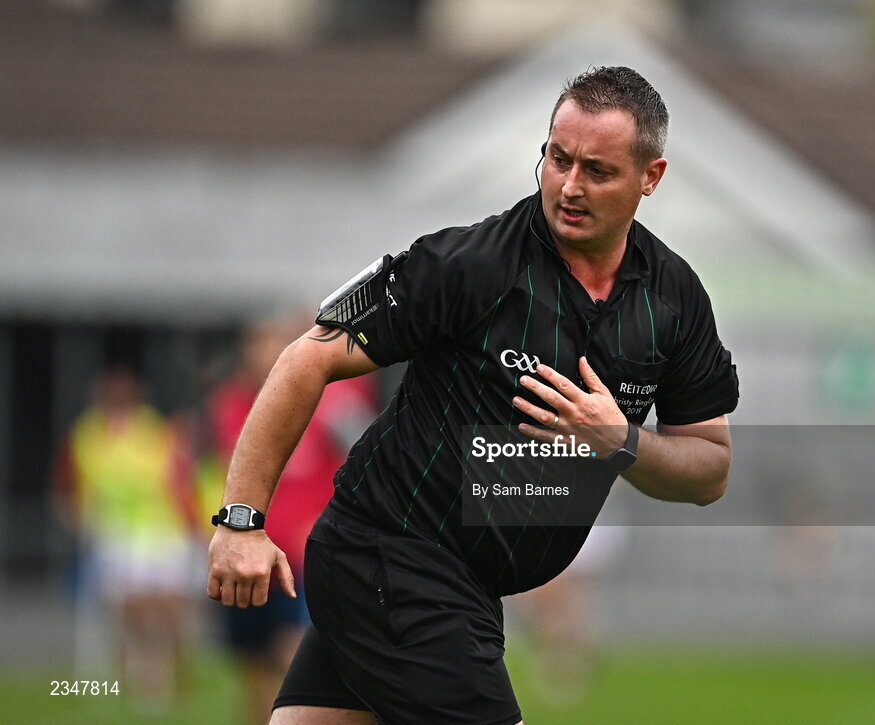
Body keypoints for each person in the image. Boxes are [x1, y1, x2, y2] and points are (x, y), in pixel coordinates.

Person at [207, 66, 739, 725]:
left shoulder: (674, 300)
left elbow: (709, 468)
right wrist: (240, 520)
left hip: (461, 585)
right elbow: (303, 359)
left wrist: (621, 441)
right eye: (557, 158)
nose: (569, 186)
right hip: (392, 560)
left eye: (597, 171)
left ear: (650, 177)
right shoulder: (470, 265)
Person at [201, 318, 378, 725]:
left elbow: (363, 450)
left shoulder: (328, 400)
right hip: (251, 548)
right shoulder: (232, 402)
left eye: (278, 343)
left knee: (295, 651)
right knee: (253, 661)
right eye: (260, 344)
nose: (268, 353)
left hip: (302, 551)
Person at [54, 366, 197, 711]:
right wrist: (78, 517)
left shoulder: (156, 430)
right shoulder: (86, 434)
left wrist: (191, 523)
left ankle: (172, 669)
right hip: (116, 532)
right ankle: (147, 670)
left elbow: (178, 478)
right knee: (130, 608)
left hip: (161, 527)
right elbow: (69, 481)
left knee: (168, 606)